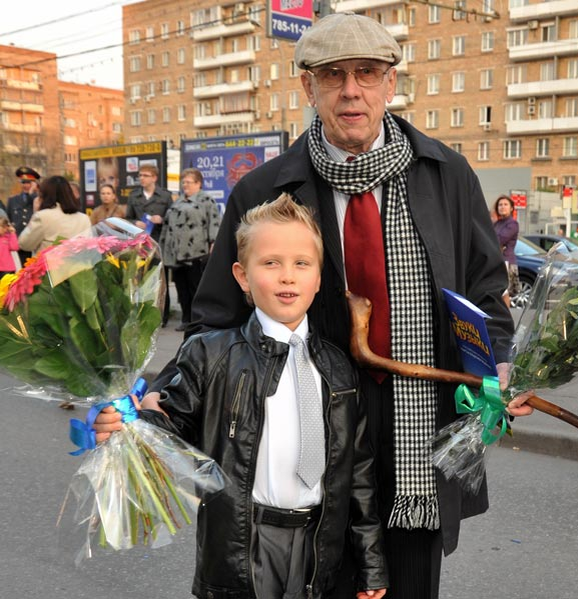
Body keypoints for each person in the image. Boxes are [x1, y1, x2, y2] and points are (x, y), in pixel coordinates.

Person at [145, 13, 532, 599]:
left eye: (367, 73)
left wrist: (499, 365)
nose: (352, 90)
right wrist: (160, 401)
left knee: (407, 586)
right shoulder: (264, 191)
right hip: (305, 448)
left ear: (390, 83)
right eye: (333, 76)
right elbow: (216, 320)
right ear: (309, 88)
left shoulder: (447, 175)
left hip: (418, 441)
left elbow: (485, 291)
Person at [94, 194, 388, 599]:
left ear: (319, 278)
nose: (288, 276)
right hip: (241, 545)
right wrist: (129, 425)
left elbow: (358, 474)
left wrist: (371, 565)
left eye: (302, 264)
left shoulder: (338, 367)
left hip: (317, 548)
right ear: (243, 276)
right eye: (271, 263)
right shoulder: (210, 354)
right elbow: (170, 428)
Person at [159, 167, 221, 331]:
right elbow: (167, 226)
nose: (184, 185)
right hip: (176, 253)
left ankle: (198, 320)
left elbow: (214, 223)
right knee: (182, 289)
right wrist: (163, 247)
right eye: (183, 182)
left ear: (198, 183)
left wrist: (213, 243)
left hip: (196, 252)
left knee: (196, 288)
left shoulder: (206, 200)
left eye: (188, 182)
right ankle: (186, 319)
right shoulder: (177, 201)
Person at [126, 164, 174, 325]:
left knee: (160, 280)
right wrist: (135, 222)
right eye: (140, 175)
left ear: (154, 177)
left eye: (145, 175)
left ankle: (163, 316)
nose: (141, 178)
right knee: (140, 280)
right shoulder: (134, 196)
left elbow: (173, 217)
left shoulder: (165, 196)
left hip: (159, 242)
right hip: (140, 244)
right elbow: (128, 218)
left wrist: (162, 219)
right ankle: (142, 314)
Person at [18, 175, 91, 255]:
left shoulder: (42, 216)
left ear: (45, 195)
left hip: (49, 265)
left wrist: (36, 212)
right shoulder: (84, 218)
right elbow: (88, 248)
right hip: (78, 265)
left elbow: (24, 244)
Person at [6, 166, 40, 265]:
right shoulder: (13, 200)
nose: (25, 185)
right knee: (23, 269)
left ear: (34, 183)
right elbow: (9, 219)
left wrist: (31, 193)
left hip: (35, 239)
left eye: (29, 183)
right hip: (20, 241)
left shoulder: (38, 199)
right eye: (23, 182)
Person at [493, 195, 520, 299]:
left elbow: (500, 240)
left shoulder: (512, 223)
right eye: (500, 205)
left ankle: (507, 315)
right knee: (498, 293)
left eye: (505, 204)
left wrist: (496, 243)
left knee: (505, 293)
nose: (502, 207)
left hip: (506, 262)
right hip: (496, 261)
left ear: (511, 208)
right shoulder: (496, 224)